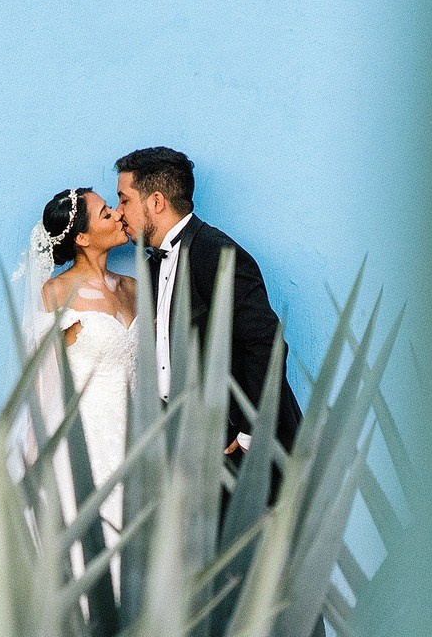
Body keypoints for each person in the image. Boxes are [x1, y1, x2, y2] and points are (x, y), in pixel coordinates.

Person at [115, 146, 302, 467]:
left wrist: (248, 432)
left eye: (124, 199)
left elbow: (265, 341)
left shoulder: (218, 252)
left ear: (156, 202)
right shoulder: (151, 268)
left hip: (235, 442)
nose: (119, 212)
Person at [17, 187, 136, 535]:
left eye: (113, 208)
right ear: (82, 237)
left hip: (139, 432)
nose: (118, 215)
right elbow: (44, 384)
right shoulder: (56, 293)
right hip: (86, 440)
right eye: (105, 213)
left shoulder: (134, 288)